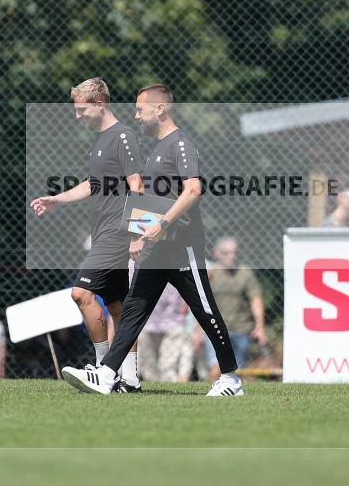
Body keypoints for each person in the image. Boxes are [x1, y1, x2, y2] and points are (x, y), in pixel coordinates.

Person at [61, 83, 244, 396]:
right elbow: (151, 197)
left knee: (205, 310)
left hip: (182, 247)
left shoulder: (181, 143)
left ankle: (230, 379)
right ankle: (106, 375)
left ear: (160, 109)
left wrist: (164, 222)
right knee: (133, 309)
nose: (136, 116)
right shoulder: (157, 148)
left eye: (140, 110)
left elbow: (194, 189)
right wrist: (138, 234)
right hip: (157, 249)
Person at [29, 77, 144, 392]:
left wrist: (137, 233)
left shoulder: (123, 136)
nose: (77, 116)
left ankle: (103, 368)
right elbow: (93, 185)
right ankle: (130, 377)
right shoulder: (101, 140)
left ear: (100, 104)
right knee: (117, 304)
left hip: (117, 232)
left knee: (80, 293)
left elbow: (138, 185)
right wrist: (57, 199)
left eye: (82, 110)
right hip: (103, 231)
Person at [199, 236, 267, 381]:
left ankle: (232, 392)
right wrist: (197, 331)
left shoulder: (245, 273)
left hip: (241, 329)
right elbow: (201, 304)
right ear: (217, 253)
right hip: (216, 328)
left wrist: (260, 326)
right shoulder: (210, 274)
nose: (232, 256)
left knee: (236, 371)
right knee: (216, 369)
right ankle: (211, 393)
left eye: (235, 252)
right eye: (227, 252)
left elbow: (256, 299)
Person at [138, 284, 193, 382]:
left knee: (167, 369)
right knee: (149, 369)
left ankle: (172, 383)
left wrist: (187, 300)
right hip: (148, 321)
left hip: (173, 320)